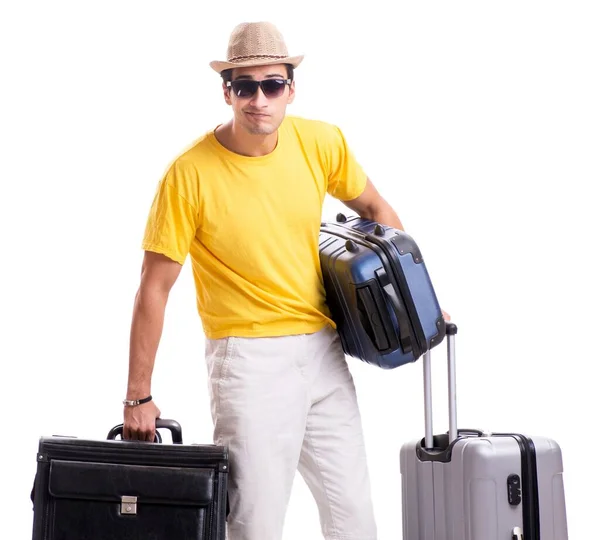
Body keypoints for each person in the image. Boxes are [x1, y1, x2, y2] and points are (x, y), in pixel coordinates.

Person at [122, 21, 448, 540]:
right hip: (248, 363)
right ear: (226, 90)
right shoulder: (189, 174)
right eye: (244, 86)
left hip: (322, 352)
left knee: (355, 520)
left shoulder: (321, 142)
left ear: (290, 88)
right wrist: (138, 396)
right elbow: (153, 288)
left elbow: (375, 208)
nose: (259, 99)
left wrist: (418, 302)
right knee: (255, 525)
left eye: (271, 84)